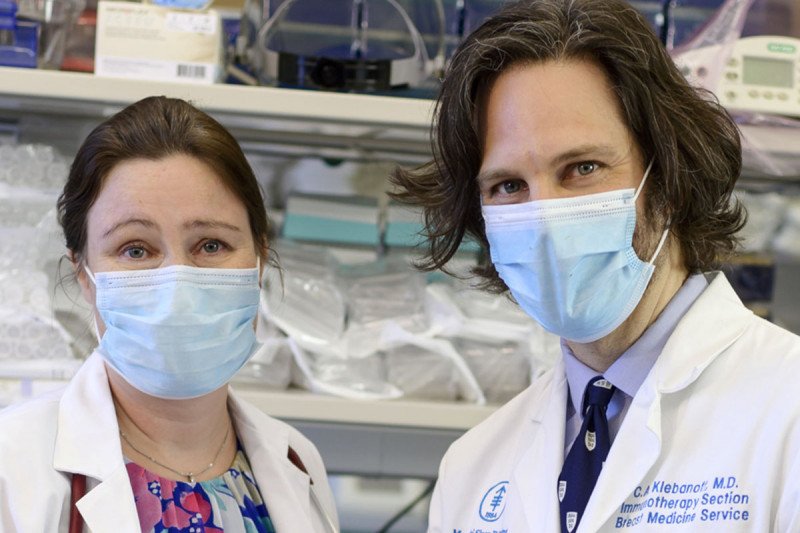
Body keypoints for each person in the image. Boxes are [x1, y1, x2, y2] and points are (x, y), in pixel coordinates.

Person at [391, 1, 800, 532]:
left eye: (583, 168)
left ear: (670, 179)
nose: (544, 218)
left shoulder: (787, 409)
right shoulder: (474, 466)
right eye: (508, 185)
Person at [0, 96, 340, 533]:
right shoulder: (13, 467)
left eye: (211, 245)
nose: (176, 284)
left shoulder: (298, 461)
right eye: (136, 249)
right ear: (83, 274)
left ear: (259, 260)